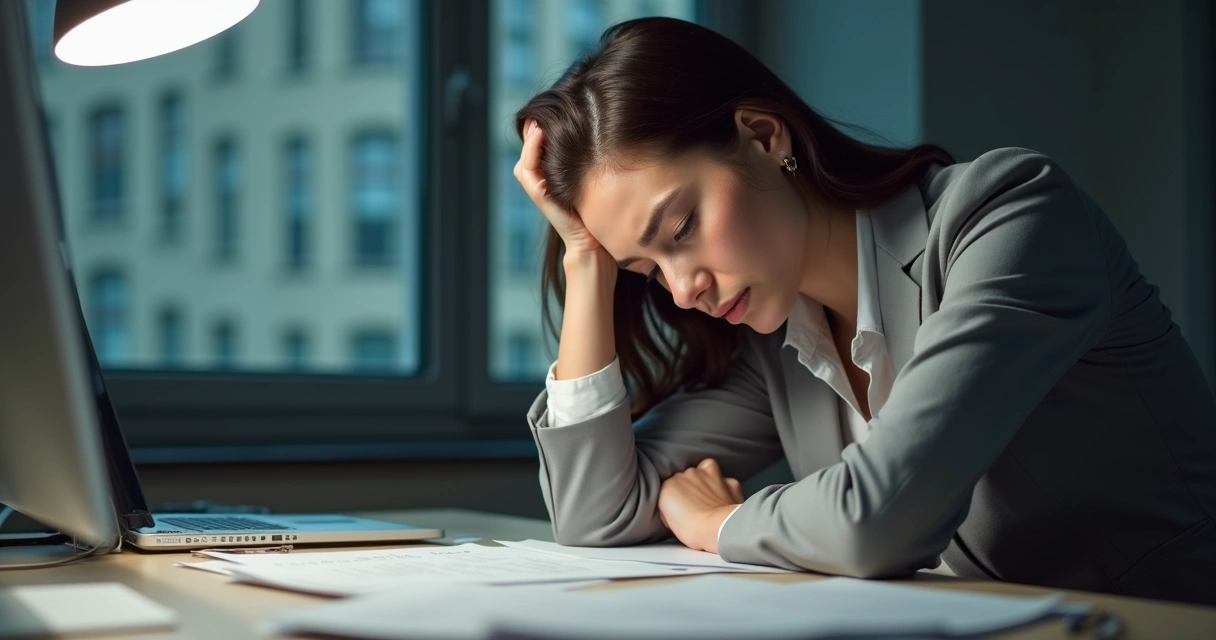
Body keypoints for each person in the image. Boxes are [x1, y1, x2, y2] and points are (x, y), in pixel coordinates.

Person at [513, 17, 1216, 605]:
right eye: (644, 270)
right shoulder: (774, 343)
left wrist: (719, 522)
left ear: (764, 136)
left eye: (682, 227)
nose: (681, 289)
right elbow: (596, 516)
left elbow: (879, 521)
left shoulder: (1010, 215)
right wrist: (586, 264)